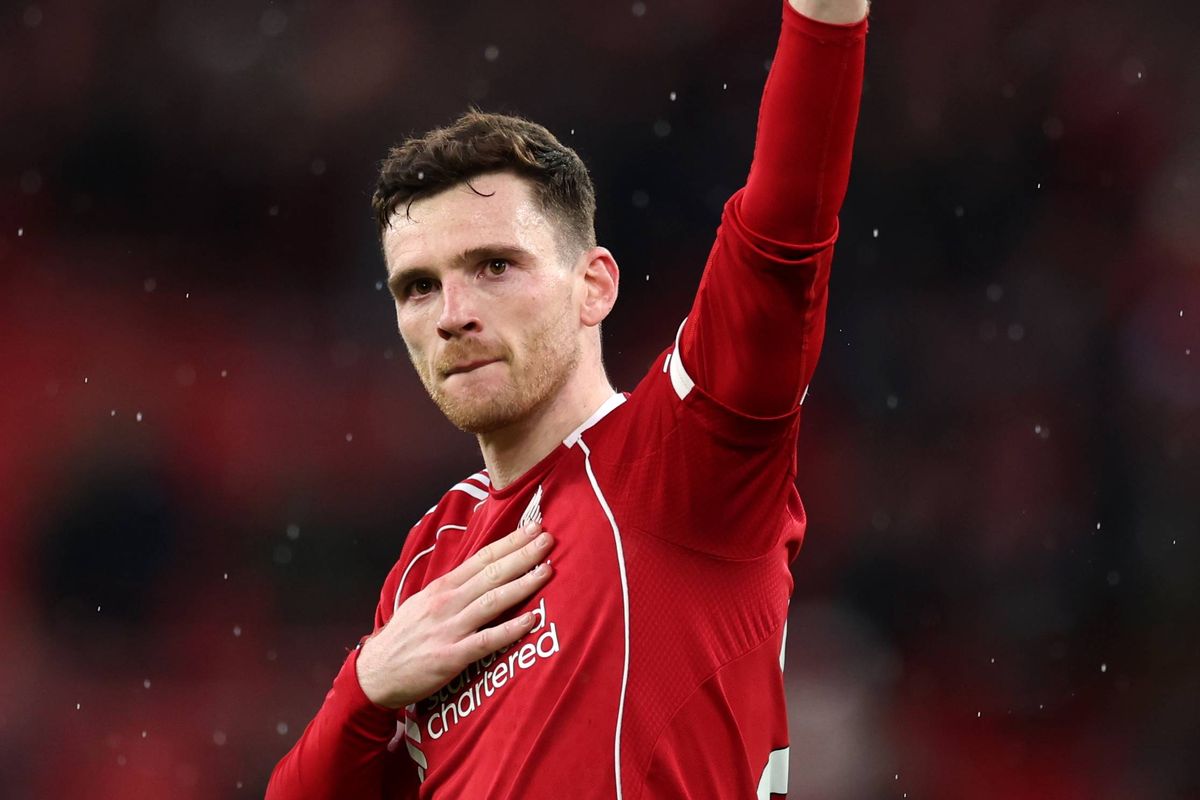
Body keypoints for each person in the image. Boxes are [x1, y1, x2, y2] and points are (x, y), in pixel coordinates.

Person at [267, 0, 868, 796]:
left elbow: (785, 232)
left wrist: (824, 18)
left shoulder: (685, 457)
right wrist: (367, 687)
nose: (452, 316)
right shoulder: (430, 563)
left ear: (594, 286)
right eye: (418, 287)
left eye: (494, 266)